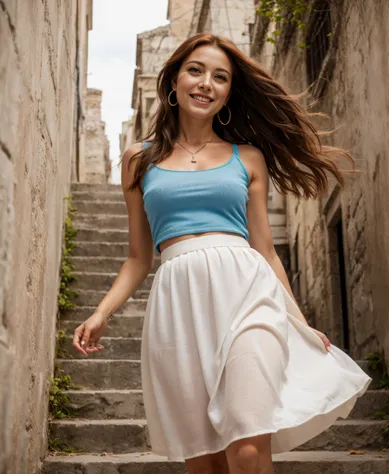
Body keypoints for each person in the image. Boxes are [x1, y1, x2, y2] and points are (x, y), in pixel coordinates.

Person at [73, 33, 371, 474]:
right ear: (173, 80)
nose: (206, 83)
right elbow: (139, 257)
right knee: (204, 460)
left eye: (220, 77)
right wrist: (101, 313)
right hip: (178, 308)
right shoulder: (140, 160)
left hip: (248, 295)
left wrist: (300, 323)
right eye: (195, 70)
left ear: (229, 92)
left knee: (248, 449)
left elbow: (266, 251)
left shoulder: (247, 158)